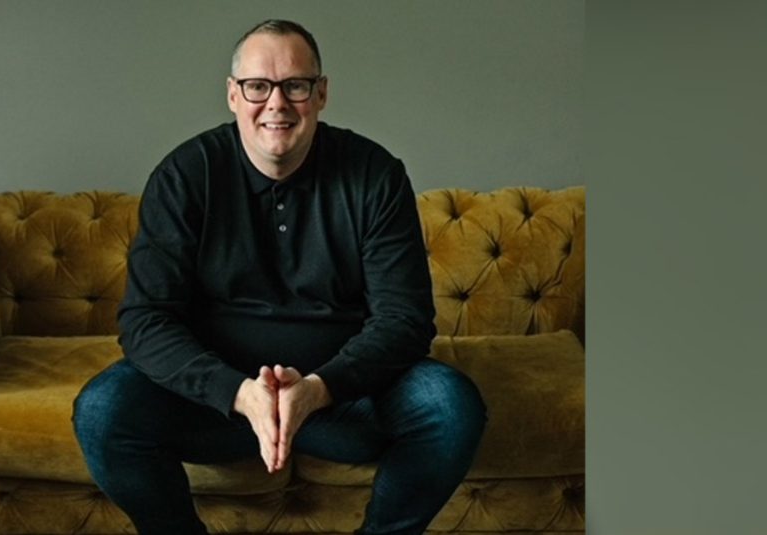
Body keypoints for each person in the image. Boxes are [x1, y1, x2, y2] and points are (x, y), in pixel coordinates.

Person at [72, 19, 486, 535]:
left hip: (340, 403)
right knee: (102, 411)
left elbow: (405, 319)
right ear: (232, 94)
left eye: (295, 86)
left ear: (321, 92)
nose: (276, 103)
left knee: (449, 407)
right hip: (217, 408)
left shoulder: (374, 174)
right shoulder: (185, 175)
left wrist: (317, 389)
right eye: (257, 86)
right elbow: (145, 320)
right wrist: (238, 393)